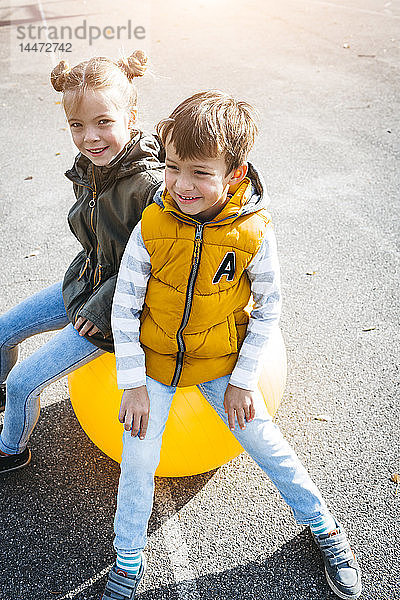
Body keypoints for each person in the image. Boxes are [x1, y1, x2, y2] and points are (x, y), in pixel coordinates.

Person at [108, 91, 362, 600]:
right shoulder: (152, 226)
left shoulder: (254, 233)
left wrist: (243, 380)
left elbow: (269, 309)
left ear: (236, 174)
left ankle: (325, 530)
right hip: (154, 367)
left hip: (222, 365)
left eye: (201, 172)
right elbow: (124, 308)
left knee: (268, 446)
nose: (181, 184)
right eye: (173, 166)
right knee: (137, 462)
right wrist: (133, 383)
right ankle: (127, 558)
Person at [0, 50, 164, 474]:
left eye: (103, 122)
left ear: (131, 115)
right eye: (77, 125)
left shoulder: (150, 185)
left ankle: (11, 448)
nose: (89, 137)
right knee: (3, 332)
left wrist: (106, 304)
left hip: (119, 309)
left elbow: (158, 262)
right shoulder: (91, 166)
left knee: (23, 383)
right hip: (85, 281)